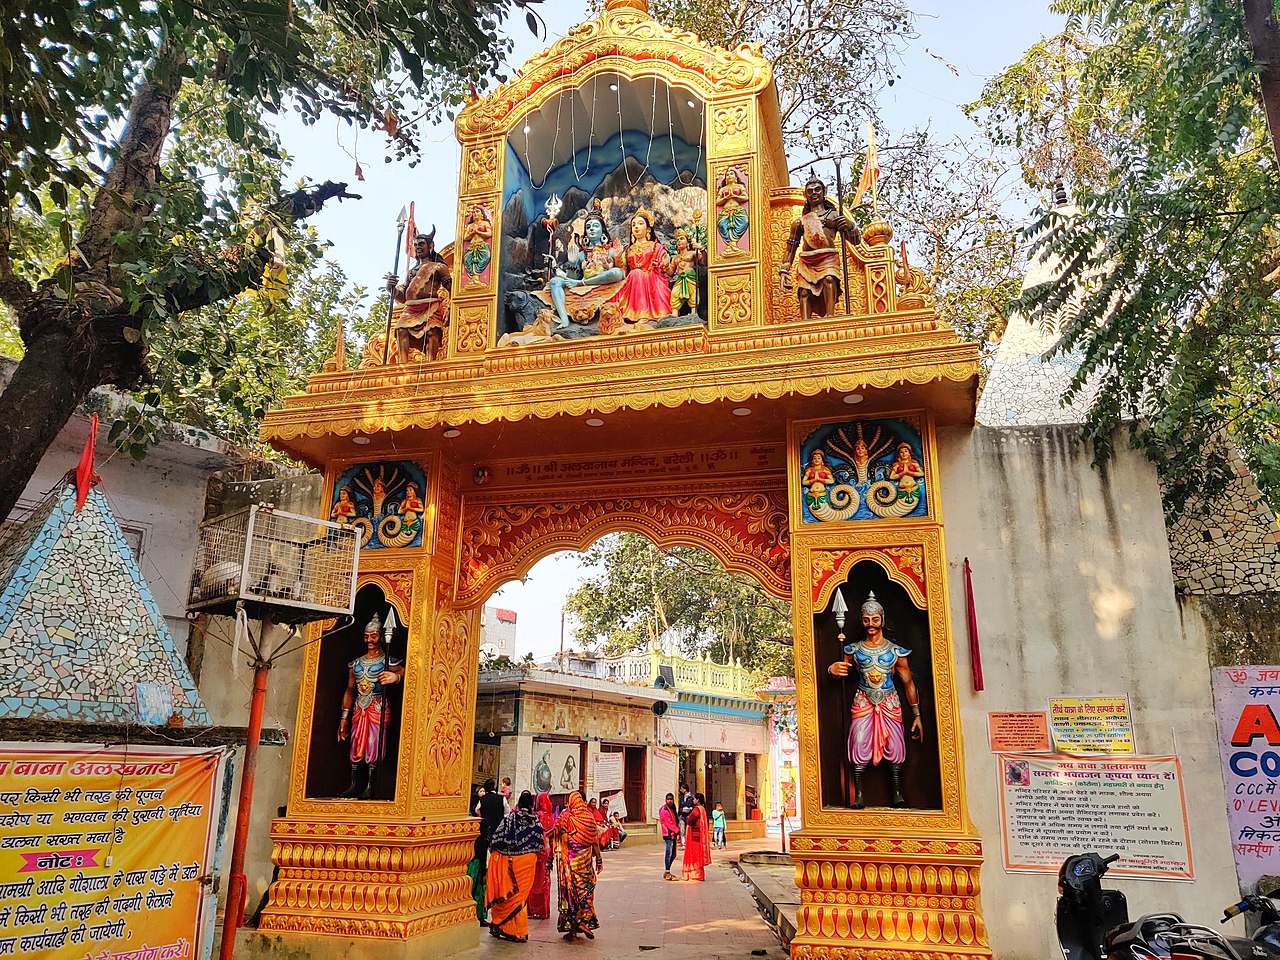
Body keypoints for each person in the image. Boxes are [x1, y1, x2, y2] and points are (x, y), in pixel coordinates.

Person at [827, 591, 924, 809]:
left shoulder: (895, 652)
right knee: (858, 741)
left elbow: (908, 683)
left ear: (882, 619)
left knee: (895, 744)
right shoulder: (854, 649)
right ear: (862, 621)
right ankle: (859, 794)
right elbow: (840, 669)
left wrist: (917, 714)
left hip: (889, 701)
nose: (871, 624)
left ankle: (897, 792)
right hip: (863, 700)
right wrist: (832, 670)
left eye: (875, 619)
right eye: (866, 620)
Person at [337, 615, 403, 799]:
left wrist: (395, 677)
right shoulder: (356, 664)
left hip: (377, 705)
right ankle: (355, 783)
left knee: (374, 744)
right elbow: (350, 690)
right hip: (360, 707)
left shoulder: (388, 661)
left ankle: (371, 785)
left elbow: (404, 671)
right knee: (357, 744)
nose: (369, 640)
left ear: (381, 636)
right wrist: (344, 718)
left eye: (373, 636)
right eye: (366, 636)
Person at [779, 175, 861, 319]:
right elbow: (790, 247)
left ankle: (830, 317)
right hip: (807, 261)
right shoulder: (800, 222)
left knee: (829, 280)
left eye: (817, 189)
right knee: (804, 292)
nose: (814, 193)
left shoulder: (835, 215)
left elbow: (855, 240)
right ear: (806, 195)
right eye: (810, 191)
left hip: (828, 257)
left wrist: (849, 225)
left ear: (824, 191)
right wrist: (784, 270)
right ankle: (805, 323)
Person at [486, 791, 546, 943]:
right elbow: (540, 843)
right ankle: (519, 931)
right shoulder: (536, 821)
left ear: (518, 803)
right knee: (520, 898)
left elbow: (496, 839)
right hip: (528, 861)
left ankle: (502, 925)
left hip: (511, 861)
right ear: (532, 804)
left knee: (508, 896)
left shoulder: (510, 819)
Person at [548, 211, 624, 329]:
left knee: (616, 272)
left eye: (595, 226)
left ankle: (584, 283)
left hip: (601, 280)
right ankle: (564, 319)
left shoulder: (610, 251)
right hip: (582, 282)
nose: (591, 229)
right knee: (554, 281)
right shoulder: (581, 254)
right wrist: (573, 263)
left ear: (603, 231)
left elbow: (620, 273)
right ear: (585, 233)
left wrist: (618, 257)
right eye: (588, 227)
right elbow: (572, 279)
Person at [386, 227, 450, 361]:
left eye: (421, 244)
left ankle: (430, 363)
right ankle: (402, 364)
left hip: (430, 307)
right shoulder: (411, 272)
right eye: (415, 245)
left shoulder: (438, 267)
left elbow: (451, 289)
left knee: (432, 332)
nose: (418, 247)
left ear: (430, 246)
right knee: (401, 329)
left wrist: (450, 309)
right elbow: (403, 297)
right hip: (411, 309)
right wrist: (392, 289)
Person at [553, 791, 603, 942]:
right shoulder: (589, 818)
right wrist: (599, 860)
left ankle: (573, 929)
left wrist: (550, 858)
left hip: (569, 865)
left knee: (570, 896)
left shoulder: (565, 818)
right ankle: (583, 921)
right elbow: (594, 841)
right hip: (585, 866)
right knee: (585, 893)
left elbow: (556, 836)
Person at [611, 208, 671, 322]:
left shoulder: (655, 246)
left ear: (648, 229)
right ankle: (635, 312)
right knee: (635, 274)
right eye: (633, 225)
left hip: (652, 279)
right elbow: (624, 272)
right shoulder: (628, 249)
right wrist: (618, 257)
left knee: (637, 273)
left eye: (640, 223)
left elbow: (666, 269)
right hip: (633, 281)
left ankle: (644, 314)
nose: (636, 227)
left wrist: (665, 264)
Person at [529, 793, 555, 920]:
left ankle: (533, 909)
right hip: (547, 851)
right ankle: (543, 911)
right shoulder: (551, 817)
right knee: (544, 881)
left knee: (534, 881)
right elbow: (552, 837)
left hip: (536, 851)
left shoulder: (537, 815)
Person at [668, 229, 704, 317]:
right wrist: (665, 265)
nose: (679, 241)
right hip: (680, 278)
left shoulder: (692, 252)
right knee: (675, 293)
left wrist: (701, 249)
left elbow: (703, 261)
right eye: (677, 240)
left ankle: (693, 312)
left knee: (693, 292)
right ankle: (675, 313)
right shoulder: (675, 258)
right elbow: (670, 272)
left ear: (688, 243)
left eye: (682, 238)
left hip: (690, 276)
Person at [681, 792, 711, 881]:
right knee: (698, 855)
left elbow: (690, 820)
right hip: (699, 836)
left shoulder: (697, 809)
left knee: (694, 855)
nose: (693, 800)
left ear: (698, 800)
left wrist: (688, 816)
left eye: (694, 799)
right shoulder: (703, 809)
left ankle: (695, 874)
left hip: (695, 836)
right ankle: (699, 874)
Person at [659, 792, 680, 880]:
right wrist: (677, 831)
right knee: (669, 853)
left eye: (671, 799)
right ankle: (667, 871)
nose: (670, 801)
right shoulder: (664, 810)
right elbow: (669, 823)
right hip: (668, 833)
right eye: (668, 799)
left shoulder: (671, 809)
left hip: (673, 834)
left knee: (673, 854)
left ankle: (667, 870)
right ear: (665, 800)